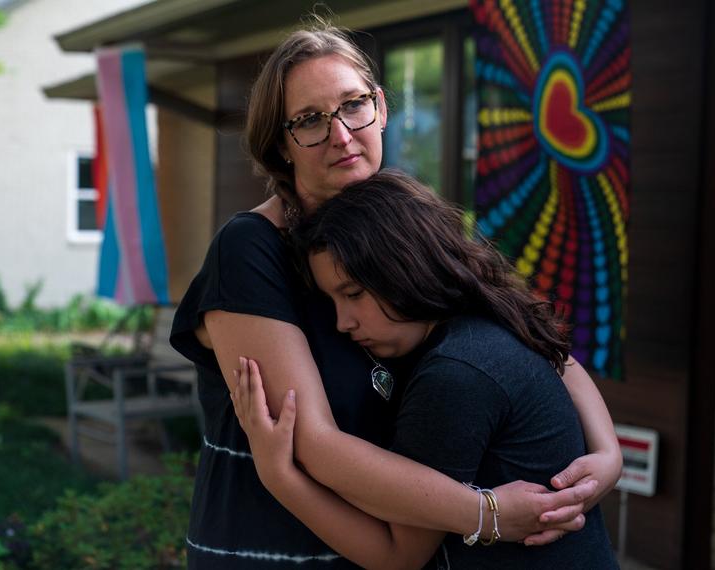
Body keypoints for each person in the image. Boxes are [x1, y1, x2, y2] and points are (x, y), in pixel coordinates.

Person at [170, 21, 621, 569]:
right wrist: (484, 514)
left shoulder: (398, 221)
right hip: (272, 545)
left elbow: (523, 325)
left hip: (383, 546)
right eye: (309, 120)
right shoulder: (251, 250)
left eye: (353, 105)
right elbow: (308, 439)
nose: (341, 135)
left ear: (380, 108)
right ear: (280, 145)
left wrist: (606, 454)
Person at [231, 169, 620, 569]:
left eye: (353, 294)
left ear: (404, 267)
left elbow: (398, 555)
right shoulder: (492, 330)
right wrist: (610, 453)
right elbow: (566, 363)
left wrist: (280, 477)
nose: (342, 322)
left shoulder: (456, 374)